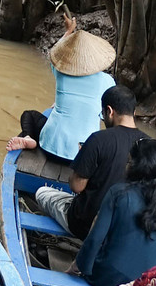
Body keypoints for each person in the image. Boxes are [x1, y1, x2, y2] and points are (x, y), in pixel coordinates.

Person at [72, 136, 156, 286]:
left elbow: (95, 239)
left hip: (107, 280)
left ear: (137, 167)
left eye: (129, 162)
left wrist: (82, 270)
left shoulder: (118, 193)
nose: (126, 166)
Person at [6, 11, 116, 165]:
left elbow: (54, 54)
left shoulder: (61, 73)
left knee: (29, 115)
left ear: (71, 57)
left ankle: (29, 137)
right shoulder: (108, 81)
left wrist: (69, 30)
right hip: (83, 154)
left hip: (49, 147)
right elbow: (104, 115)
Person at [33, 83, 139, 236]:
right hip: (124, 230)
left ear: (109, 111)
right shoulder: (150, 146)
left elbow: (76, 186)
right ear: (134, 112)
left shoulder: (98, 139)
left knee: (42, 192)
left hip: (85, 224)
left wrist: (83, 159)